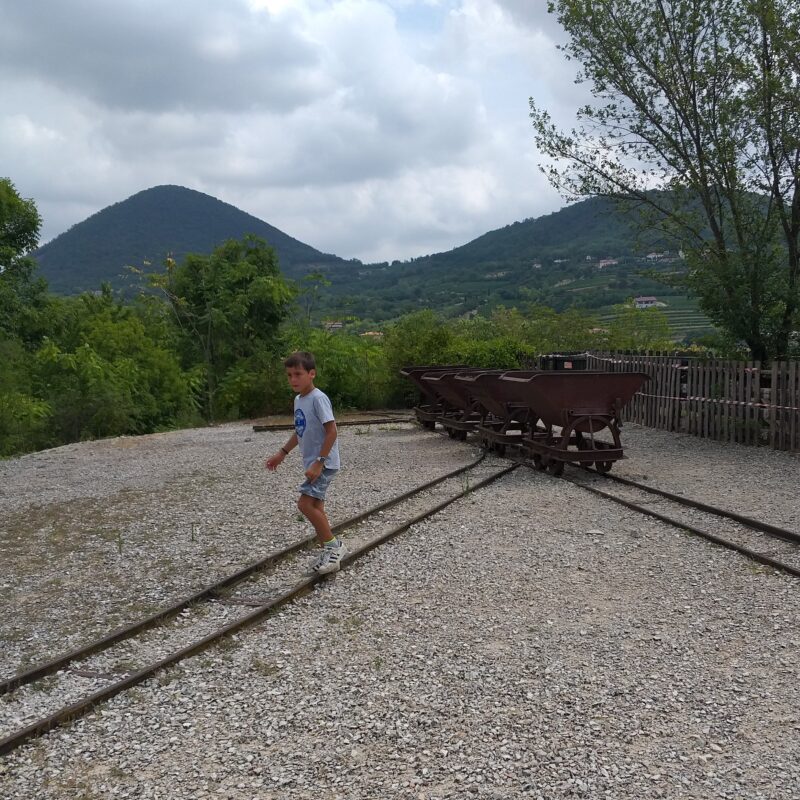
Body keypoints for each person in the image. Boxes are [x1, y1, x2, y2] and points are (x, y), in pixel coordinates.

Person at [265, 351, 345, 575]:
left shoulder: (318, 398)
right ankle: (327, 551)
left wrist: (319, 462)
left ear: (312, 374)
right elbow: (300, 431)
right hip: (315, 463)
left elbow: (332, 431)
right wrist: (282, 453)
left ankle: (334, 549)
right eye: (289, 375)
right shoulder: (299, 400)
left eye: (298, 374)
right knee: (316, 507)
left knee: (305, 505)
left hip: (324, 463)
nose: (293, 379)